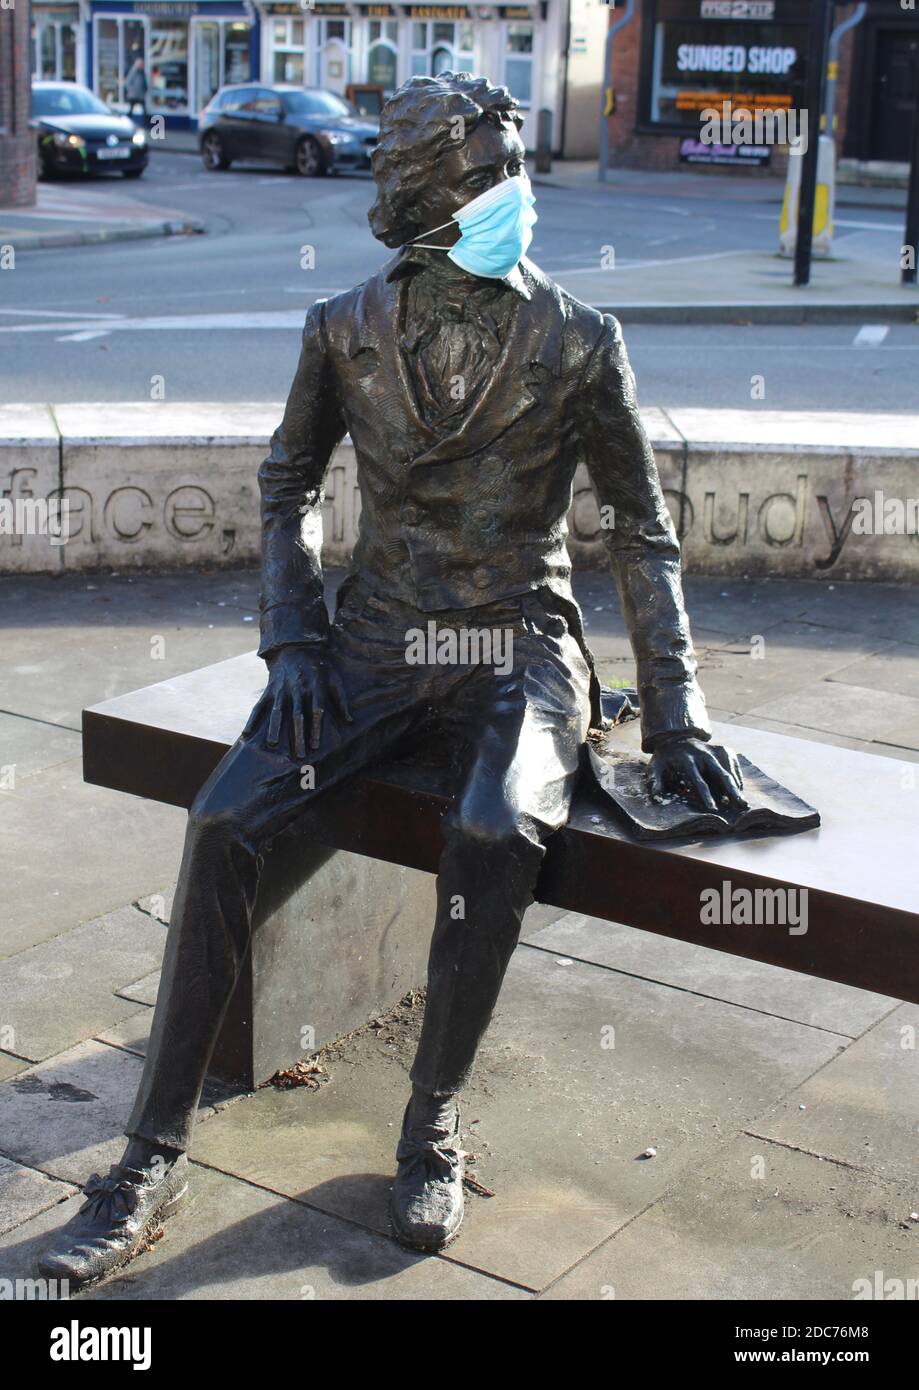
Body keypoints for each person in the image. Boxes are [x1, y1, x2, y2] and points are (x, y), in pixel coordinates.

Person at [38, 72, 745, 1287]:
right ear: (424, 199)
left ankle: (431, 1119)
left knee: (490, 821)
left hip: (518, 640)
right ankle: (149, 1153)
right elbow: (284, 489)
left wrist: (673, 706)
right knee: (222, 821)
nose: (512, 197)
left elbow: (641, 528)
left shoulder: (580, 339)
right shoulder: (339, 327)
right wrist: (295, 640)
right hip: (371, 642)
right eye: (485, 177)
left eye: (514, 171)